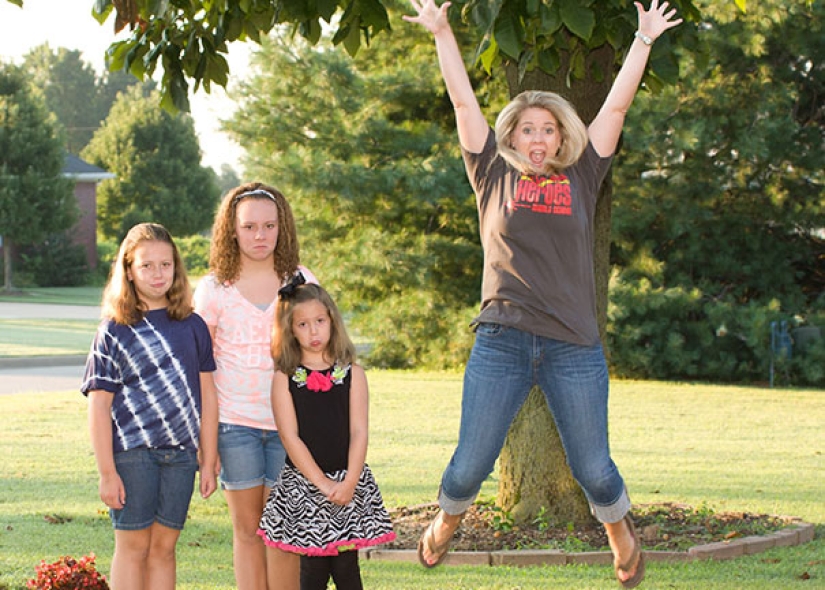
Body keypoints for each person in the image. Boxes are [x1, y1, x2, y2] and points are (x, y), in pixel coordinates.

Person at [403, 0, 682, 587]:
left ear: (561, 136)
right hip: (501, 341)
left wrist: (643, 40)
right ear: (512, 135)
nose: (536, 137)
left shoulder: (583, 173)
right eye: (526, 128)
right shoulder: (490, 172)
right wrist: (442, 31)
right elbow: (461, 100)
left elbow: (618, 104)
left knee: (595, 470)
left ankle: (619, 533)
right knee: (467, 467)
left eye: (546, 129)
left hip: (572, 346)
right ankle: (446, 522)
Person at [193, 182, 317, 590]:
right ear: (232, 229)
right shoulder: (214, 288)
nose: (260, 236)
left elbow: (320, 354)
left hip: (291, 429)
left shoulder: (300, 282)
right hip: (235, 427)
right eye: (249, 227)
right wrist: (206, 446)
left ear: (282, 228)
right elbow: (202, 372)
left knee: (283, 533)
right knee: (247, 531)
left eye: (269, 225)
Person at [82, 222, 218, 590]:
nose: (158, 274)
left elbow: (207, 396)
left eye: (166, 264)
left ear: (176, 267)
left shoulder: (193, 326)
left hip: (182, 456)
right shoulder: (113, 330)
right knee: (133, 546)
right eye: (146, 266)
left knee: (164, 548)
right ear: (129, 270)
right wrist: (107, 472)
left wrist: (208, 458)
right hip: (132, 455)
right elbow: (98, 407)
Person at [258, 281, 396, 590]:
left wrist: (348, 483)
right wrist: (322, 484)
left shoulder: (352, 374)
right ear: (291, 330)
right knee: (313, 571)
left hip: (348, 484)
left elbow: (359, 431)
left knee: (347, 568)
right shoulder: (284, 378)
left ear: (332, 320)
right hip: (305, 487)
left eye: (320, 321)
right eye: (303, 325)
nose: (314, 332)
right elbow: (290, 436)